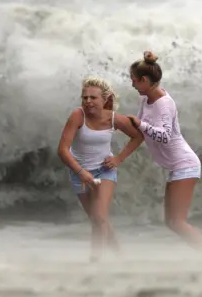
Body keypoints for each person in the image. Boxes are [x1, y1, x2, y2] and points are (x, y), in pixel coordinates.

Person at [104, 51, 202, 248]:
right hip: (176, 167)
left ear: (144, 80)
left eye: (134, 80)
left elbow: (164, 135)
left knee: (177, 222)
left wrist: (141, 124)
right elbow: (138, 132)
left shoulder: (164, 103)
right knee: (172, 222)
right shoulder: (146, 99)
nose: (132, 84)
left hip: (185, 164)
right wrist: (111, 120)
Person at [57, 76, 143, 262]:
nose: (88, 101)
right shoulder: (77, 116)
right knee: (98, 219)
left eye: (93, 97)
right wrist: (81, 172)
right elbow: (62, 150)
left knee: (99, 216)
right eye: (84, 97)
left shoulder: (114, 119)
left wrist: (119, 158)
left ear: (105, 99)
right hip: (78, 172)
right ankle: (121, 257)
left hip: (104, 170)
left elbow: (138, 136)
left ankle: (95, 260)